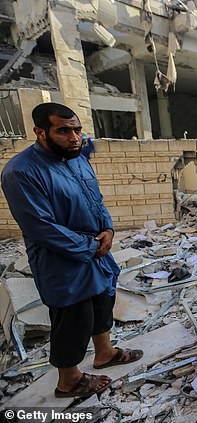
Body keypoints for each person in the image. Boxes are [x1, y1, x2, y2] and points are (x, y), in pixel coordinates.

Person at [1, 103, 143, 398]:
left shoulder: (77, 158)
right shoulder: (21, 172)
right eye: (63, 131)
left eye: (77, 129)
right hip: (61, 259)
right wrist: (90, 246)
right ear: (40, 132)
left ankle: (105, 353)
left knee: (103, 300)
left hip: (95, 249)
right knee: (72, 317)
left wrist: (109, 229)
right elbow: (41, 226)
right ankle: (69, 380)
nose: (74, 137)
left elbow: (96, 198)